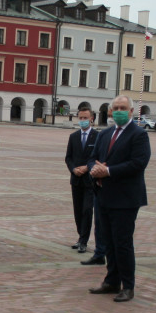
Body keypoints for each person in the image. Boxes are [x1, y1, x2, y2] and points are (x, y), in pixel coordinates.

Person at [86, 95, 151, 302]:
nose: (119, 111)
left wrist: (109, 171)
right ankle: (111, 281)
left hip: (125, 199)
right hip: (104, 195)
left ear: (131, 111)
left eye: (124, 107)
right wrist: (93, 169)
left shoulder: (138, 134)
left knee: (122, 243)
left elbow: (138, 163)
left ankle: (128, 285)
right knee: (108, 242)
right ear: (111, 111)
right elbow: (92, 158)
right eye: (116, 108)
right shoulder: (104, 134)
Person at [65, 107, 98, 253]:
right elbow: (68, 157)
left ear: (91, 118)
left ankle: (84, 241)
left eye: (85, 118)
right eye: (81, 118)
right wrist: (73, 169)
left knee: (86, 210)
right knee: (78, 210)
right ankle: (80, 237)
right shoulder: (73, 136)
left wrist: (87, 167)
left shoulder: (97, 136)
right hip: (76, 179)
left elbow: (99, 156)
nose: (83, 121)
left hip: (90, 180)